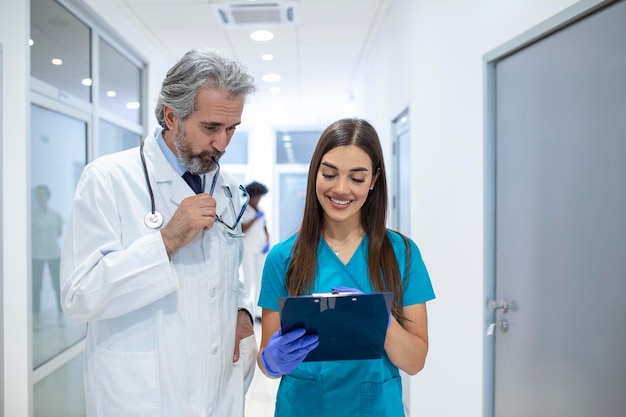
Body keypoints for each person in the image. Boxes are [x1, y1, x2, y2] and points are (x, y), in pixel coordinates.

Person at [60, 48, 257, 417]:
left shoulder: (225, 187)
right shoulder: (108, 179)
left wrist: (242, 310)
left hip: (216, 391)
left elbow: (228, 274)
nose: (223, 144)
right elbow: (79, 295)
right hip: (142, 394)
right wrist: (166, 241)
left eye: (232, 129)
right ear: (172, 116)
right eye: (211, 127)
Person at [256, 118, 435, 416]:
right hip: (302, 407)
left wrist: (378, 318)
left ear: (375, 179)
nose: (341, 189)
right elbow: (267, 364)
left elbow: (415, 362)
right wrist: (273, 360)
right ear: (315, 173)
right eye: (329, 174)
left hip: (376, 408)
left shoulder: (401, 254)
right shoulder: (283, 258)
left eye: (357, 178)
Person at [31, 184, 63, 329]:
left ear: (47, 196)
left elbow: (59, 233)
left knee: (57, 285)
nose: (40, 198)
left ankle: (60, 314)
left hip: (54, 254)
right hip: (36, 255)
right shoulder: (31, 214)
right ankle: (36, 317)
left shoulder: (55, 215)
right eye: (38, 195)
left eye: (42, 195)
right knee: (36, 287)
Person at [240, 181, 270, 320]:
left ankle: (258, 313)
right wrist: (254, 218)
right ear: (251, 196)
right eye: (257, 197)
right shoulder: (244, 210)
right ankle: (245, 311)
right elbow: (242, 228)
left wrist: (267, 240)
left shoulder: (261, 210)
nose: (259, 200)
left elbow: (264, 227)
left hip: (260, 249)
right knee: (249, 280)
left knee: (260, 280)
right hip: (248, 250)